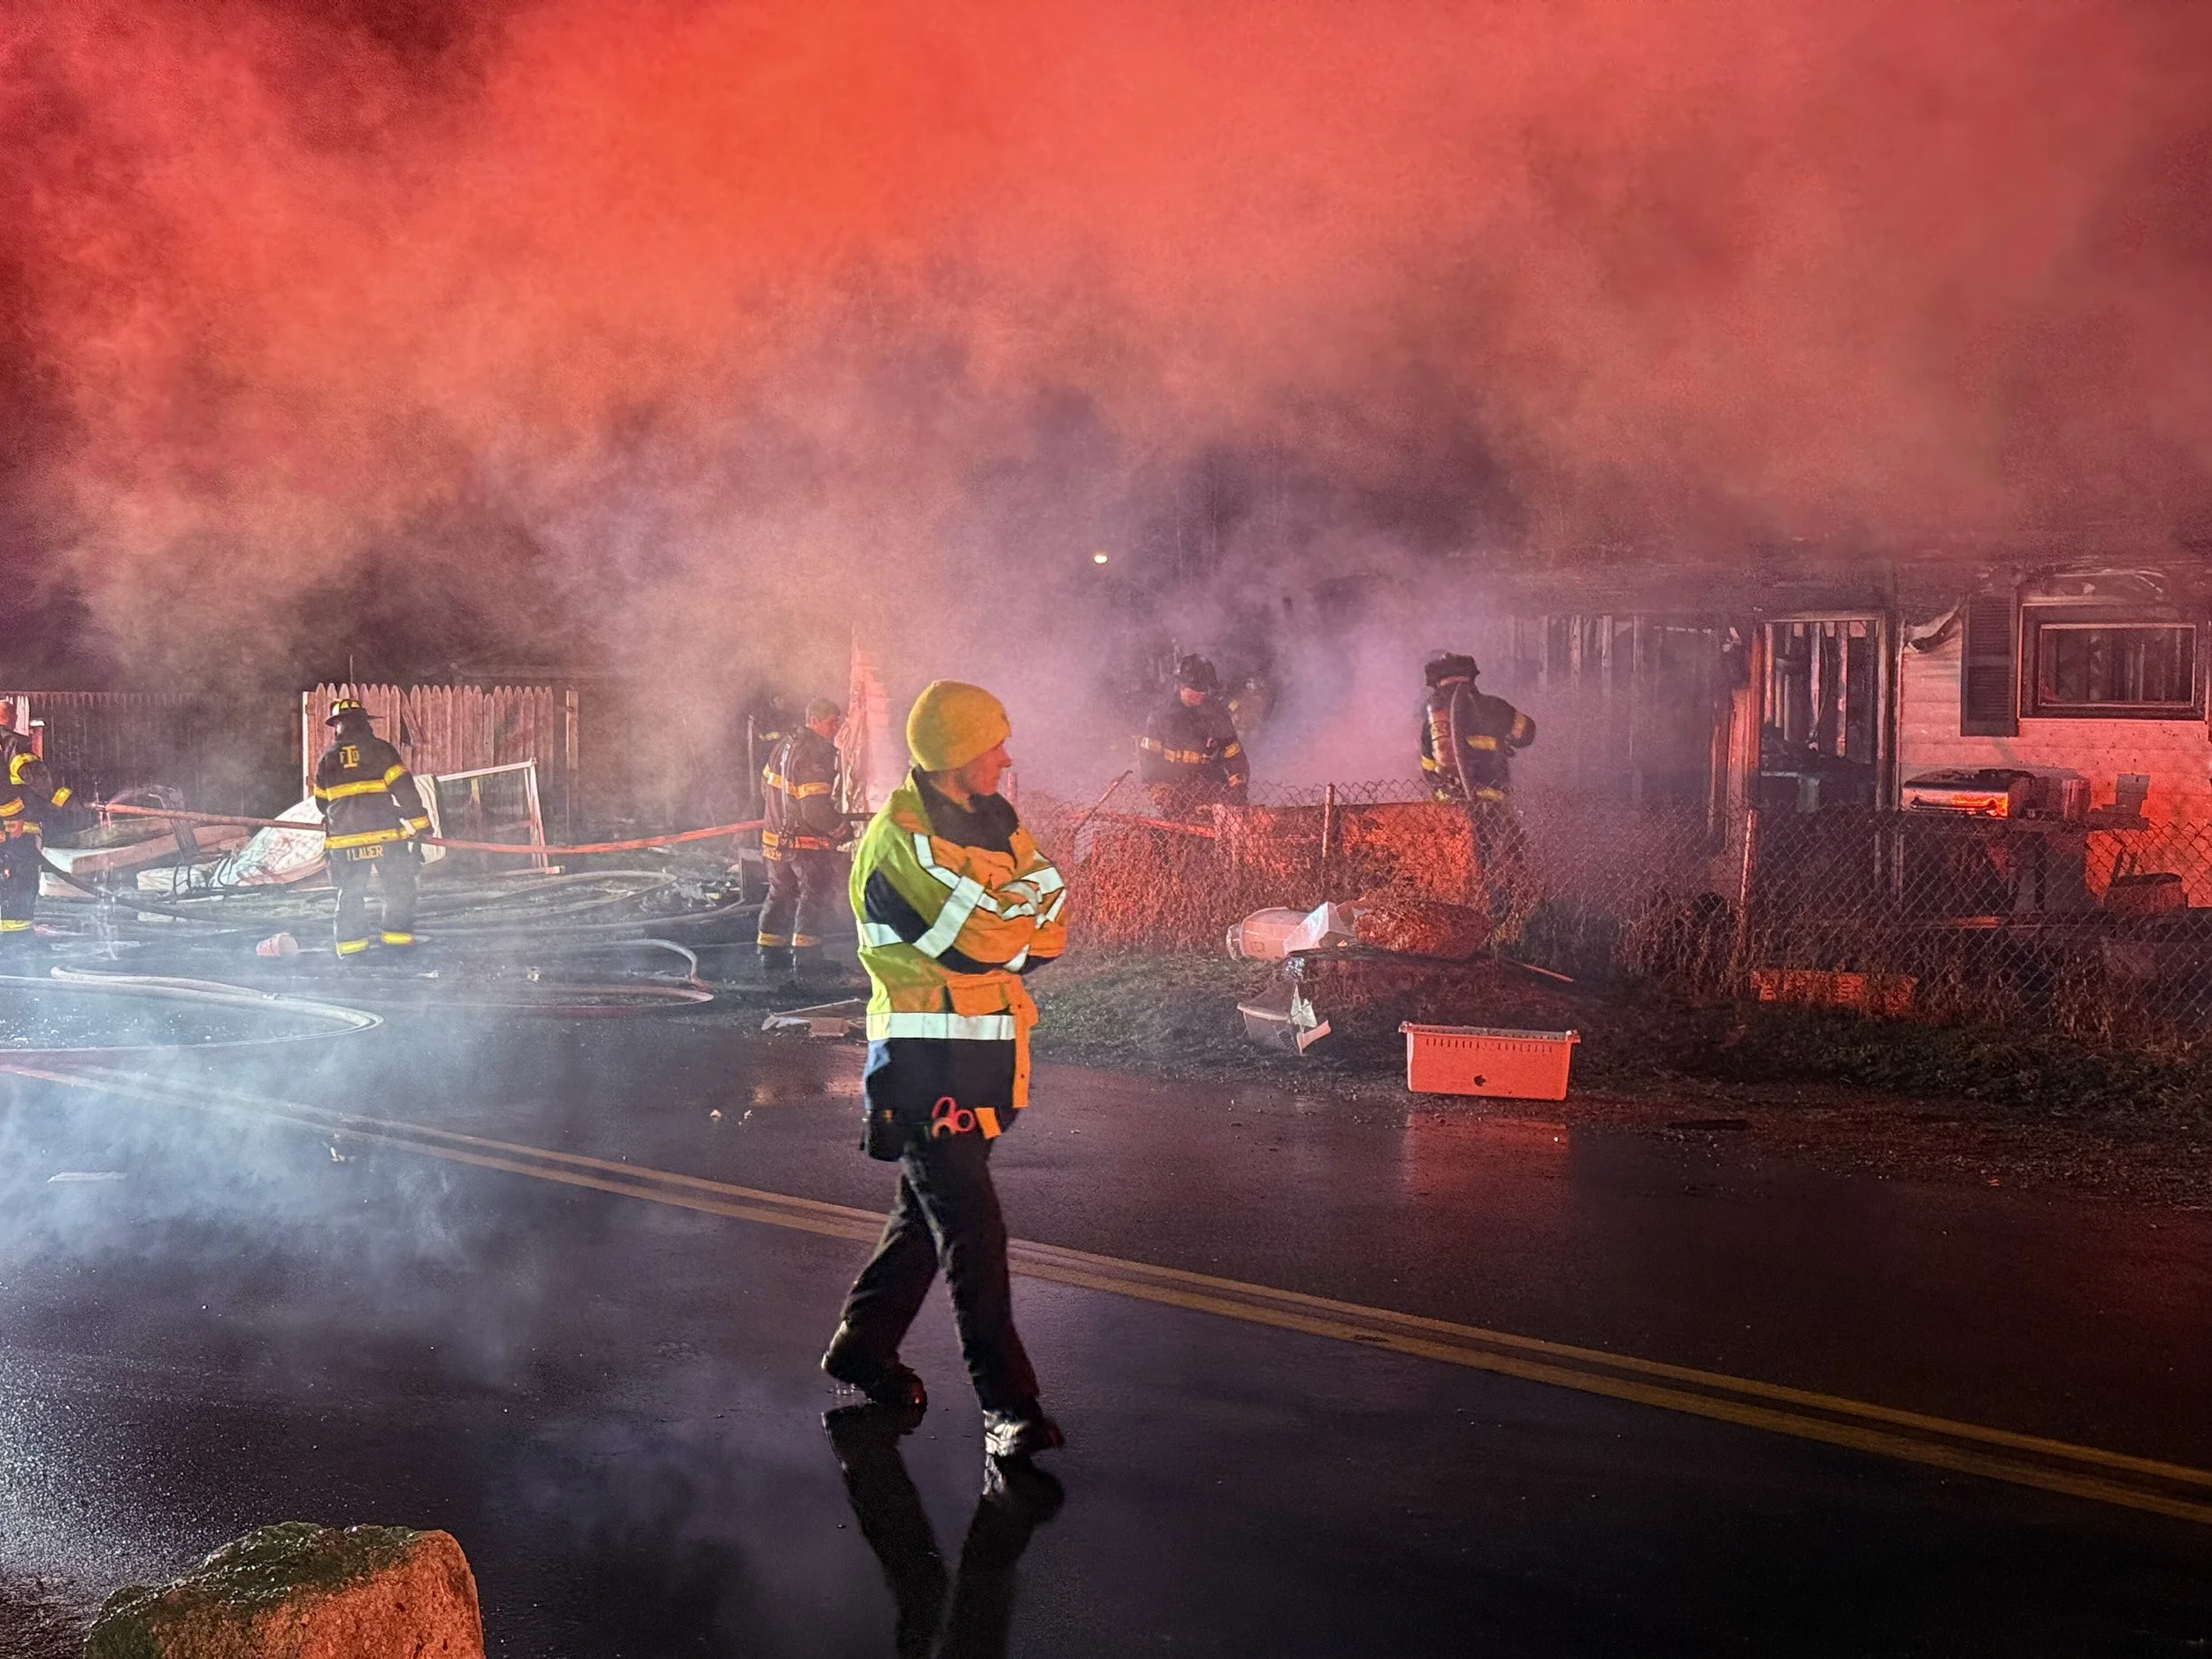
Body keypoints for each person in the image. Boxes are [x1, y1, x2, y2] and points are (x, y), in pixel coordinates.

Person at [821, 680, 1069, 1463]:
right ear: (959, 754)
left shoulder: (993, 821)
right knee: (971, 1227)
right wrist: (1014, 915)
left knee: (923, 1223)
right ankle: (1009, 1404)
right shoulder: (898, 842)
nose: (1006, 755)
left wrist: (1012, 918)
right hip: (923, 1070)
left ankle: (863, 1347)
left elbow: (1050, 912)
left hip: (985, 1062)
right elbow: (985, 941)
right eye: (994, 742)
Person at [1420, 652, 1537, 930]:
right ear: (1471, 677)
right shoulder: (1495, 707)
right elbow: (1526, 733)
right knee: (1502, 868)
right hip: (1493, 808)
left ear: (1437, 683)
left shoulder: (1433, 723)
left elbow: (1428, 769)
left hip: (1450, 815)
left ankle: (1458, 925)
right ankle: (1504, 926)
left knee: (1457, 872)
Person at [312, 697, 431, 960]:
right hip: (385, 836)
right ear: (364, 723)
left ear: (338, 726)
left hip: (344, 842)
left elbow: (322, 802)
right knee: (398, 887)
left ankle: (351, 949)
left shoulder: (326, 759)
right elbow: (404, 789)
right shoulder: (382, 750)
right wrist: (421, 823)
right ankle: (397, 943)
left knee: (350, 893)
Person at [757, 697, 850, 984]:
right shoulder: (814, 754)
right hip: (803, 843)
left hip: (775, 839)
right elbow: (814, 809)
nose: (835, 728)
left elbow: (765, 788)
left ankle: (770, 953)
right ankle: (807, 959)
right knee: (815, 892)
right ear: (814, 721)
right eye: (831, 722)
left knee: (779, 892)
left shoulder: (783, 747)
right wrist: (840, 829)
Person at [1136, 653, 1249, 816]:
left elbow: (1234, 754)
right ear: (1181, 685)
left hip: (1212, 790)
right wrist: (1157, 788)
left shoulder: (1217, 716)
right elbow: (1148, 755)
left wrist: (1238, 787)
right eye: (1196, 688)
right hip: (1173, 793)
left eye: (1204, 689)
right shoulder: (1161, 716)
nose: (1201, 694)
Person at [0, 726, 72, 950]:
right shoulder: (12, 743)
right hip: (17, 830)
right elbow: (37, 781)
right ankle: (16, 940)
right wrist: (65, 800)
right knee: (20, 881)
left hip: (8, 827)